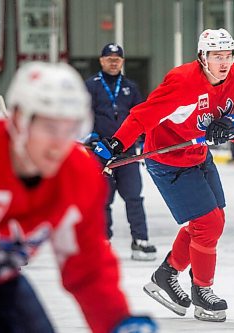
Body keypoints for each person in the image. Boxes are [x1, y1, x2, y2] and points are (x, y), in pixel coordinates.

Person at [0, 62, 156, 333]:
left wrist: (116, 320)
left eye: (69, 128)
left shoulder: (78, 175)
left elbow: (87, 265)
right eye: (49, 128)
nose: (59, 145)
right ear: (19, 121)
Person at [94, 28, 234, 322]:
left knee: (214, 220)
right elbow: (142, 116)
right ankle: (202, 291)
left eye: (228, 56)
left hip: (198, 155)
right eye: (216, 56)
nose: (224, 62)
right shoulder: (182, 82)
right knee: (207, 223)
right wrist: (115, 146)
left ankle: (166, 276)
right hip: (168, 159)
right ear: (202, 57)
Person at [85, 43, 156, 261]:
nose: (113, 62)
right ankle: (101, 241)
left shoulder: (130, 87)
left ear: (122, 62)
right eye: (109, 58)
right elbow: (82, 115)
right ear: (101, 60)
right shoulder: (90, 86)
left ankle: (140, 240)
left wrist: (144, 139)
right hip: (99, 154)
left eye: (117, 59)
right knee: (102, 200)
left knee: (134, 196)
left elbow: (141, 116)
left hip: (127, 154)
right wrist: (92, 138)